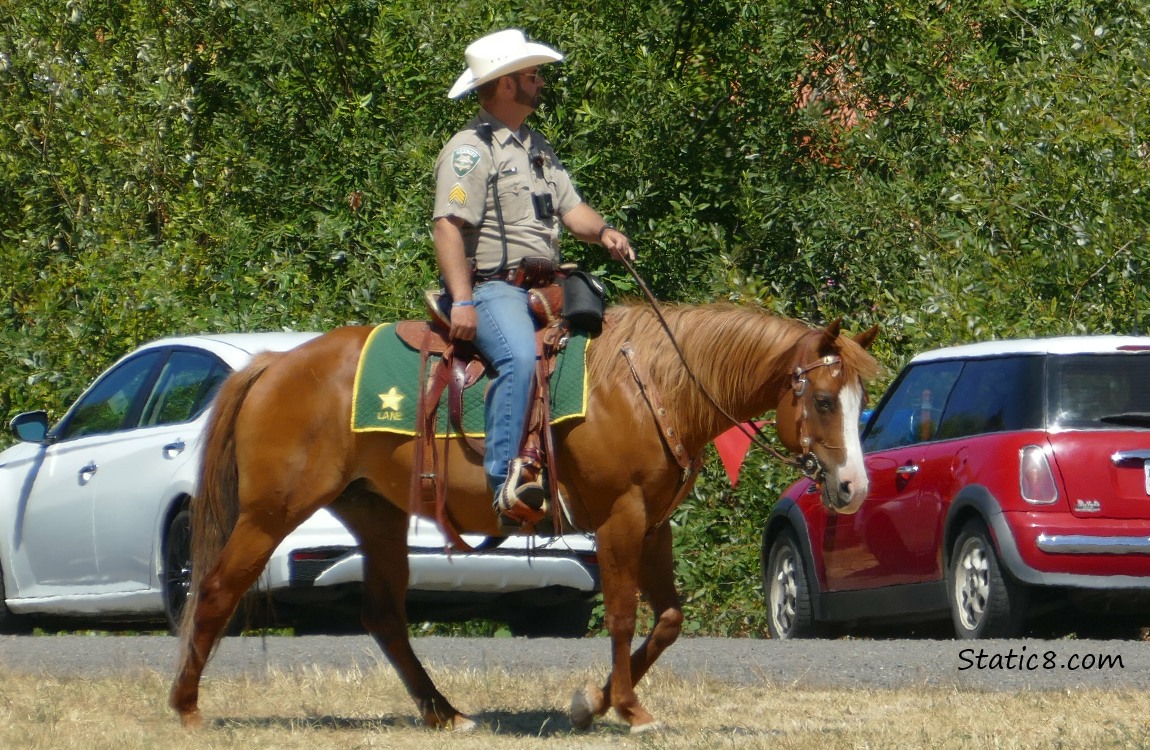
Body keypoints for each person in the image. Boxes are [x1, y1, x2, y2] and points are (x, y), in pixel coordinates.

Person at [432, 28, 634, 524]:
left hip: (550, 284)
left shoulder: (536, 146)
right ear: (505, 84)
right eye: (532, 75)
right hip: (496, 288)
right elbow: (447, 227)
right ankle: (506, 485)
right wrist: (461, 300)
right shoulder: (470, 150)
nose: (541, 83)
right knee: (521, 357)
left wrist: (604, 231)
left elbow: (573, 210)